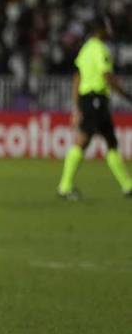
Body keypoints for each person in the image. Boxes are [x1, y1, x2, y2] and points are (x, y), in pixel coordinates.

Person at [57, 16, 132, 199]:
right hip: (95, 100)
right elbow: (107, 76)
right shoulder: (100, 49)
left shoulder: (85, 49)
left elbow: (77, 77)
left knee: (110, 141)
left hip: (89, 99)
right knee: (84, 140)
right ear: (101, 29)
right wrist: (127, 95)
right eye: (107, 27)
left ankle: (128, 185)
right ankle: (64, 186)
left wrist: (76, 105)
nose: (109, 30)